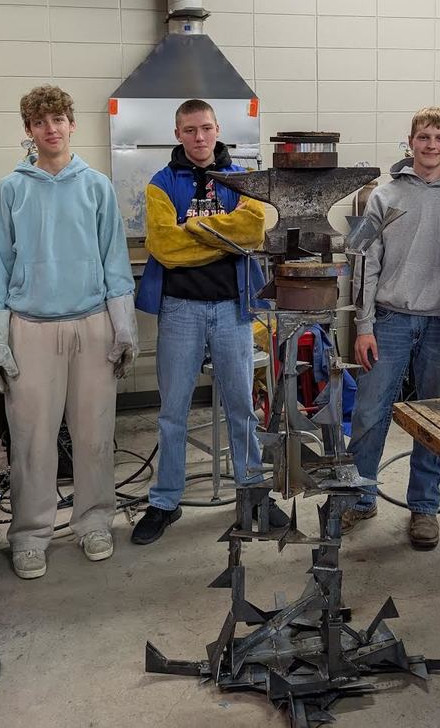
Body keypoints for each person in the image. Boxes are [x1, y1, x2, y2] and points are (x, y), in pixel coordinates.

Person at [0, 85, 136, 580]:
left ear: (72, 124)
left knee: (95, 434)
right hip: (31, 329)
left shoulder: (97, 187)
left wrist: (123, 327)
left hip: (91, 325)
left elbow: (115, 260)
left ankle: (93, 523)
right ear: (28, 130)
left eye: (58, 119)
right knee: (31, 439)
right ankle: (29, 534)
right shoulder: (10, 190)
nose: (50, 128)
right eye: (40, 121)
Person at [132, 98, 287, 545]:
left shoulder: (243, 180)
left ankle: (253, 493)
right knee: (173, 411)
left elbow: (252, 233)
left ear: (218, 129)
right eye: (189, 130)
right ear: (177, 134)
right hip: (180, 309)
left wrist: (194, 229)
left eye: (205, 128)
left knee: (242, 408)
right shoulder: (161, 184)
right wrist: (223, 235)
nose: (199, 137)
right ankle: (164, 501)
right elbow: (165, 246)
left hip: (232, 309)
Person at [343, 106, 440, 549]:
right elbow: (361, 259)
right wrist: (363, 325)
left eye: (439, 137)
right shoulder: (382, 196)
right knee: (369, 412)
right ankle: (359, 497)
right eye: (423, 137)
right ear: (410, 142)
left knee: (434, 420)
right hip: (390, 320)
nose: (431, 145)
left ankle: (425, 508)